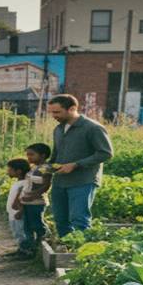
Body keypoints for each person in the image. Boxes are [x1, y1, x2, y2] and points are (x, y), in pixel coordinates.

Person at [48, 94, 114, 237]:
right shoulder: (58, 129)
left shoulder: (92, 128)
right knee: (61, 220)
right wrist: (45, 167)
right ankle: (66, 252)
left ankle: (81, 255)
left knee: (79, 220)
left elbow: (106, 153)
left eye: (57, 112)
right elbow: (56, 154)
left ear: (72, 109)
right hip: (60, 182)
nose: (53, 115)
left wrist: (76, 164)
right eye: (51, 112)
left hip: (83, 181)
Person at [17, 143, 54, 258]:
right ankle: (30, 248)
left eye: (32, 155)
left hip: (37, 202)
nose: (29, 157)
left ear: (43, 155)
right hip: (27, 202)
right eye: (27, 155)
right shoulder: (34, 168)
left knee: (37, 224)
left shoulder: (45, 168)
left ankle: (43, 242)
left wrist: (33, 196)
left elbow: (46, 186)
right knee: (27, 226)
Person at [3, 158, 29, 258]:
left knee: (21, 232)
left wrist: (20, 210)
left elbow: (23, 200)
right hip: (12, 213)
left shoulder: (24, 183)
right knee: (16, 232)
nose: (8, 172)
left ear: (18, 171)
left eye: (10, 169)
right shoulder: (18, 182)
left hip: (18, 213)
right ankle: (21, 249)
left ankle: (25, 251)